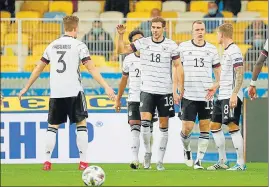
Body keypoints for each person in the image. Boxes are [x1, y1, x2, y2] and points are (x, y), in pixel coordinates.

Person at [18, 16, 116, 171]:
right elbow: (91, 68)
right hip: (74, 91)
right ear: (75, 29)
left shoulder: (52, 46)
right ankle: (83, 162)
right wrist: (106, 87)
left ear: (65, 27)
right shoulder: (79, 45)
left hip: (57, 92)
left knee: (52, 126)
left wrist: (26, 88)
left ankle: (47, 161)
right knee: (81, 125)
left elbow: (38, 68)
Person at [116, 16, 184, 171]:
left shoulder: (171, 45)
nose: (155, 30)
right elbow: (122, 50)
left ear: (164, 28)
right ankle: (147, 152)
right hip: (146, 90)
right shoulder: (143, 42)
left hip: (165, 91)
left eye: (158, 27)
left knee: (163, 126)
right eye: (153, 27)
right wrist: (120, 35)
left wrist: (180, 86)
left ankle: (159, 161)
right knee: (145, 123)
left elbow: (178, 66)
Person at [176, 20, 221, 170]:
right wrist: (177, 87)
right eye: (197, 29)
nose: (200, 32)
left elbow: (218, 71)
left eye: (202, 29)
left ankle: (199, 161)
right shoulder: (183, 47)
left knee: (204, 127)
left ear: (205, 31)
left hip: (206, 95)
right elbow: (177, 69)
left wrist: (217, 84)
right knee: (187, 128)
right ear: (192, 31)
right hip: (188, 94)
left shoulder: (212, 49)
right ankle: (187, 150)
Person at [114, 30, 156, 169]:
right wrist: (118, 99)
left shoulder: (152, 57)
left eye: (141, 39)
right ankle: (134, 159)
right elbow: (124, 80)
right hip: (133, 98)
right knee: (135, 129)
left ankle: (148, 156)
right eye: (136, 40)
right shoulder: (128, 59)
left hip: (150, 97)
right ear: (132, 43)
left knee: (148, 131)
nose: (139, 42)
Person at [207, 23, 246, 171]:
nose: (217, 36)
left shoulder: (234, 50)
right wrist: (216, 86)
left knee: (232, 126)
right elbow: (227, 75)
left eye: (217, 34)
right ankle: (223, 160)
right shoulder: (226, 51)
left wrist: (234, 94)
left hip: (230, 95)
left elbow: (240, 73)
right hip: (222, 94)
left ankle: (240, 163)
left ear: (222, 35)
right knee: (214, 125)